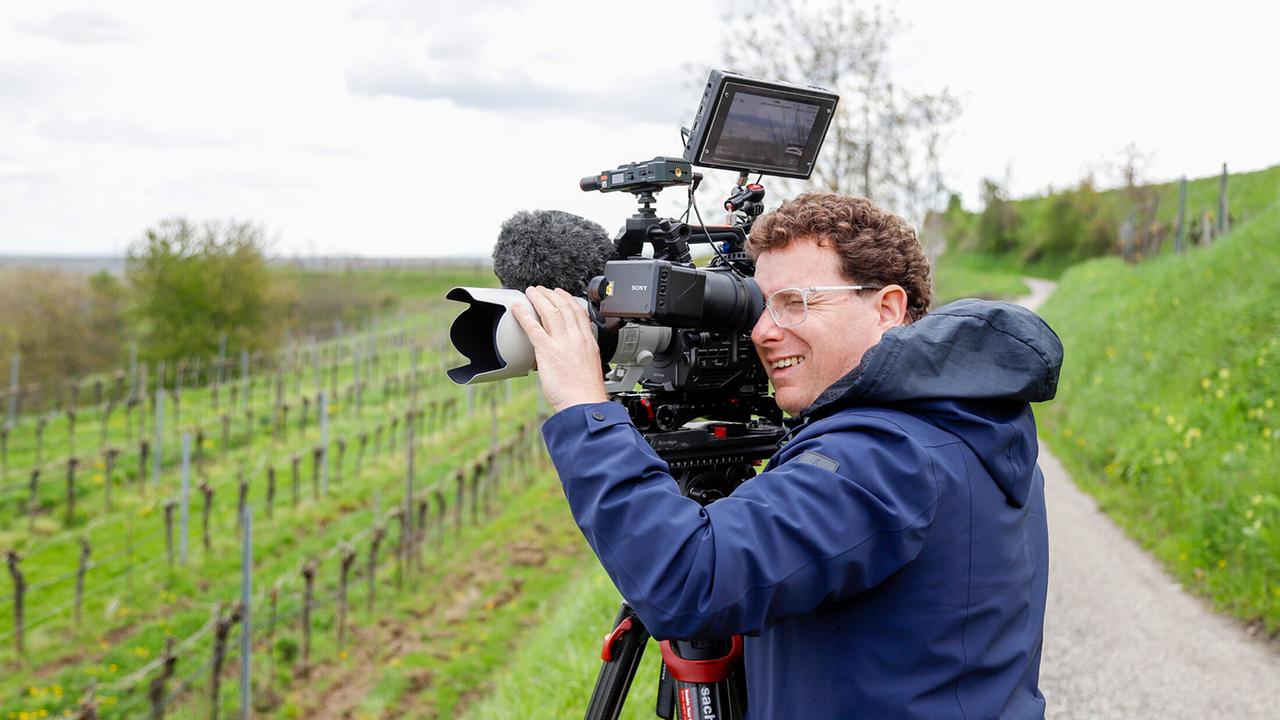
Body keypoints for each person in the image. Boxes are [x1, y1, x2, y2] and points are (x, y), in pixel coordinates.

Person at [511, 193, 1062, 719]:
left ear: (888, 307)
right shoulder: (963, 421)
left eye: (795, 303)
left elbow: (689, 580)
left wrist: (584, 406)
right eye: (761, 303)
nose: (762, 331)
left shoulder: (885, 457)